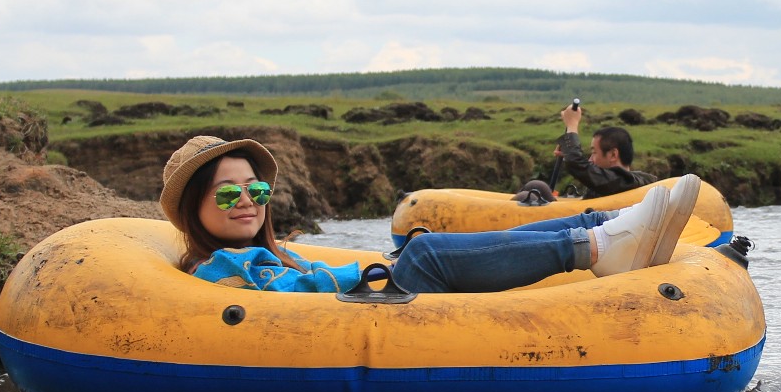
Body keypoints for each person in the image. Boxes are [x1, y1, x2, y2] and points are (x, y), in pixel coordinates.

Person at [160, 136, 700, 296]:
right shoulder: (217, 274)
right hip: (361, 311)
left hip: (368, 289)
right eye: (228, 195)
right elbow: (284, 306)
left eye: (254, 188)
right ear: (195, 209)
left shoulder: (266, 253)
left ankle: (603, 226)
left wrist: (370, 266)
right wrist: (370, 276)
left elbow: (305, 276)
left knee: (450, 244)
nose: (249, 201)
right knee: (425, 252)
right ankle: (602, 249)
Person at [549, 103, 654, 199]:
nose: (590, 159)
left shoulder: (621, 183)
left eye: (594, 152)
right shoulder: (619, 182)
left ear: (613, 155)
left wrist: (572, 124)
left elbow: (576, 164)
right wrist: (568, 153)